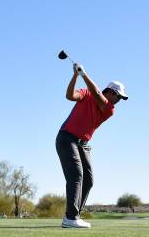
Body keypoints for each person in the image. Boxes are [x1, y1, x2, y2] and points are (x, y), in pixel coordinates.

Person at [56, 63, 128, 229]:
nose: (118, 101)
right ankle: (71, 217)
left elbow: (97, 94)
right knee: (76, 175)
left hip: (83, 144)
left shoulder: (109, 109)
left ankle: (72, 216)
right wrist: (75, 75)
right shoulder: (86, 93)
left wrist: (84, 74)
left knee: (88, 180)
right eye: (118, 97)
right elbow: (69, 96)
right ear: (111, 92)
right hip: (67, 138)